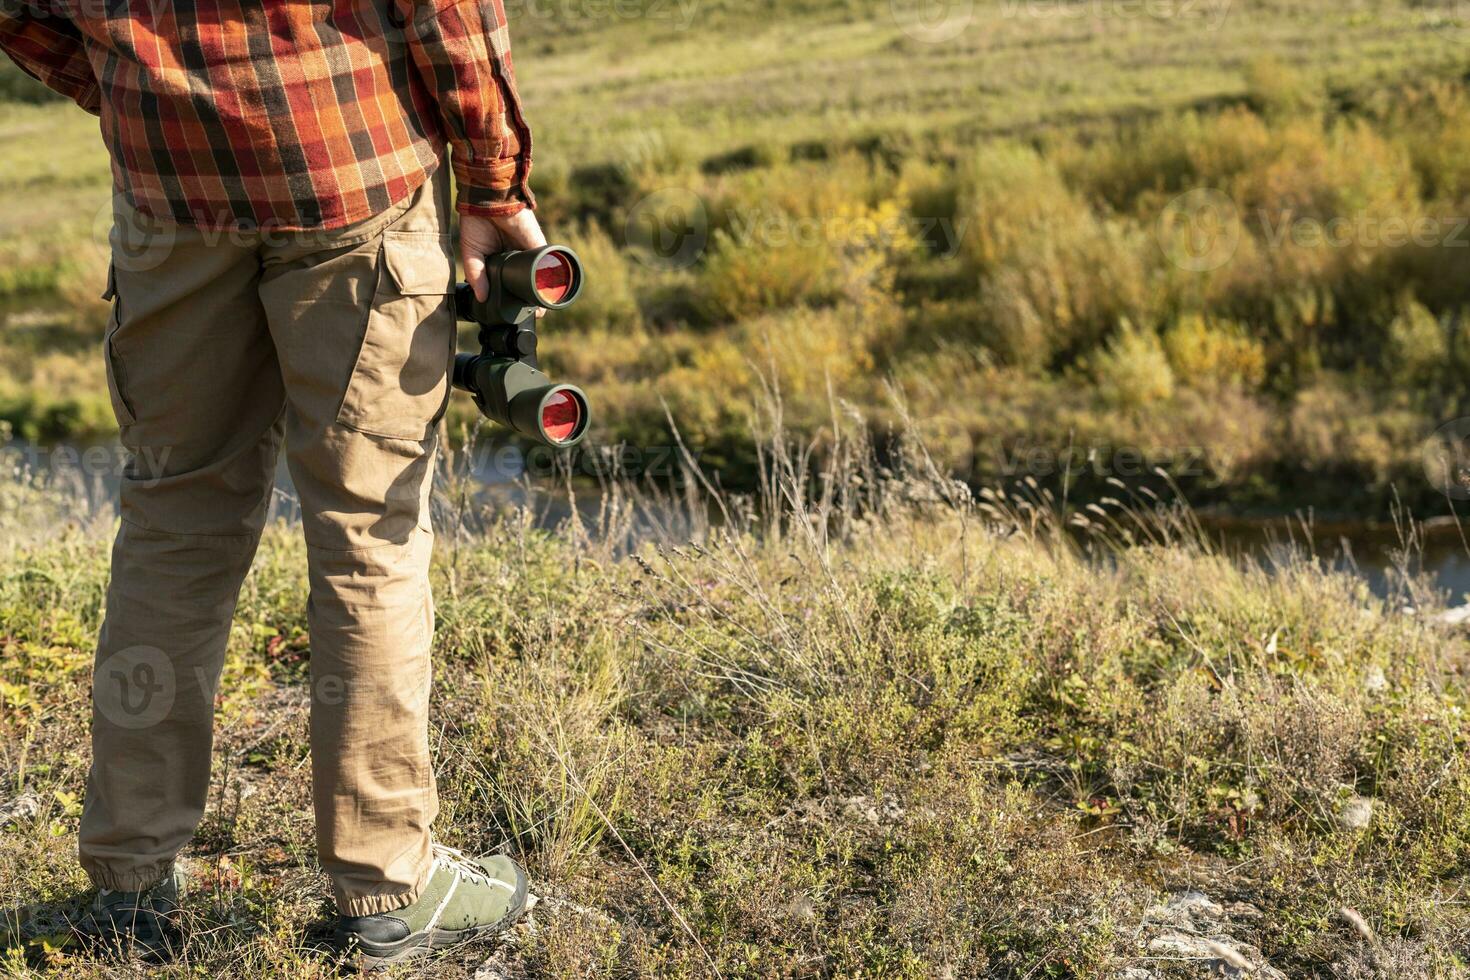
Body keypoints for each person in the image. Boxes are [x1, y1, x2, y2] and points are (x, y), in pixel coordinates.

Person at [0, 0, 545, 966]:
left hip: (168, 200)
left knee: (171, 526)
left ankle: (126, 886)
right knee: (369, 539)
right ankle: (387, 888)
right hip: (350, 174)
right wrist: (494, 179)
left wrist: (144, 92)